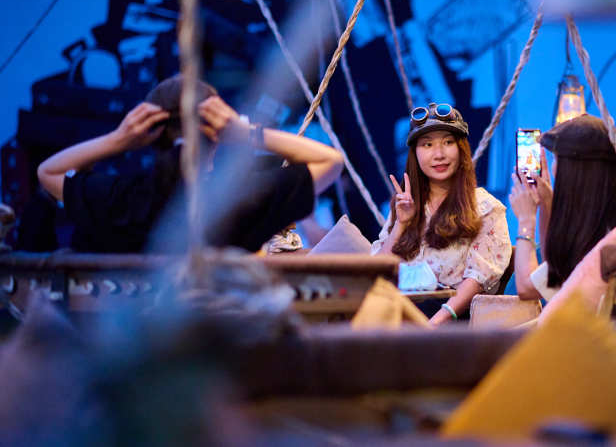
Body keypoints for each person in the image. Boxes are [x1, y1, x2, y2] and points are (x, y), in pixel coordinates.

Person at [37, 75, 344, 253]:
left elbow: (48, 171)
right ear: (217, 130)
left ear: (148, 133)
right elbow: (330, 160)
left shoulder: (122, 198)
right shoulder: (243, 198)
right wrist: (245, 132)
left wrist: (119, 139)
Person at [371, 103, 512, 325]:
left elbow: (476, 279)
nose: (439, 154)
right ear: (414, 154)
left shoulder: (484, 207)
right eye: (427, 145)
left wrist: (433, 325)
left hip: (451, 318)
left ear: (461, 149)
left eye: (448, 142)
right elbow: (377, 274)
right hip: (398, 314)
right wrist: (401, 224)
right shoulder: (406, 204)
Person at [509, 114, 616, 302]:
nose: (553, 169)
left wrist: (526, 220)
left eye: (556, 160)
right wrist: (547, 204)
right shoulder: (612, 220)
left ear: (573, 171)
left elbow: (527, 288)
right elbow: (555, 269)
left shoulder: (596, 240)